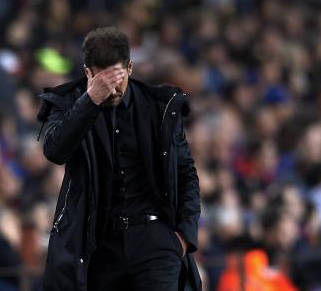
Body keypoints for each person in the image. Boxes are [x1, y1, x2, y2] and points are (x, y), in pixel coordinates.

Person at [37, 27, 202, 290]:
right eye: (103, 81)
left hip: (155, 239)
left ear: (130, 68)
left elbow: (186, 173)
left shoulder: (159, 107)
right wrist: (90, 100)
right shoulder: (68, 102)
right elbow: (55, 150)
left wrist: (183, 236)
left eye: (117, 79)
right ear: (87, 73)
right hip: (100, 244)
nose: (112, 90)